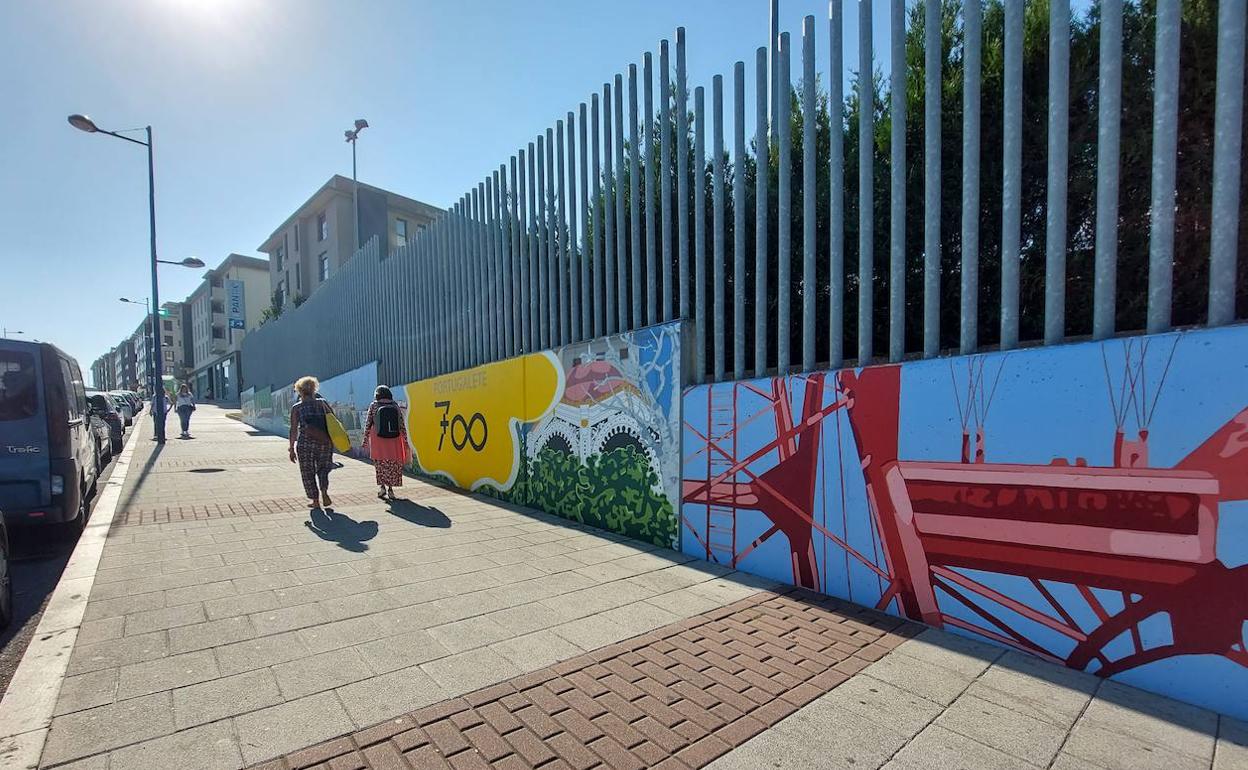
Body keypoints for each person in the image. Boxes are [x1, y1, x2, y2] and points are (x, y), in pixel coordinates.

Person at [288, 376, 335, 508]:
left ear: (300, 391)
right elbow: (334, 421)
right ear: (314, 389)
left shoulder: (296, 408)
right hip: (324, 442)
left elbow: (293, 429)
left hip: (305, 444)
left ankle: (315, 500)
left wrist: (291, 448)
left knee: (307, 472)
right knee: (324, 468)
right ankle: (324, 491)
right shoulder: (323, 403)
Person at [362, 386, 410, 499]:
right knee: (392, 464)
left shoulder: (374, 405)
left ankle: (382, 488)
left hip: (378, 440)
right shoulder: (394, 405)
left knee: (380, 464)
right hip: (394, 440)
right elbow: (401, 424)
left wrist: (365, 441)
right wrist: (406, 441)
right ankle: (391, 490)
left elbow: (368, 423)